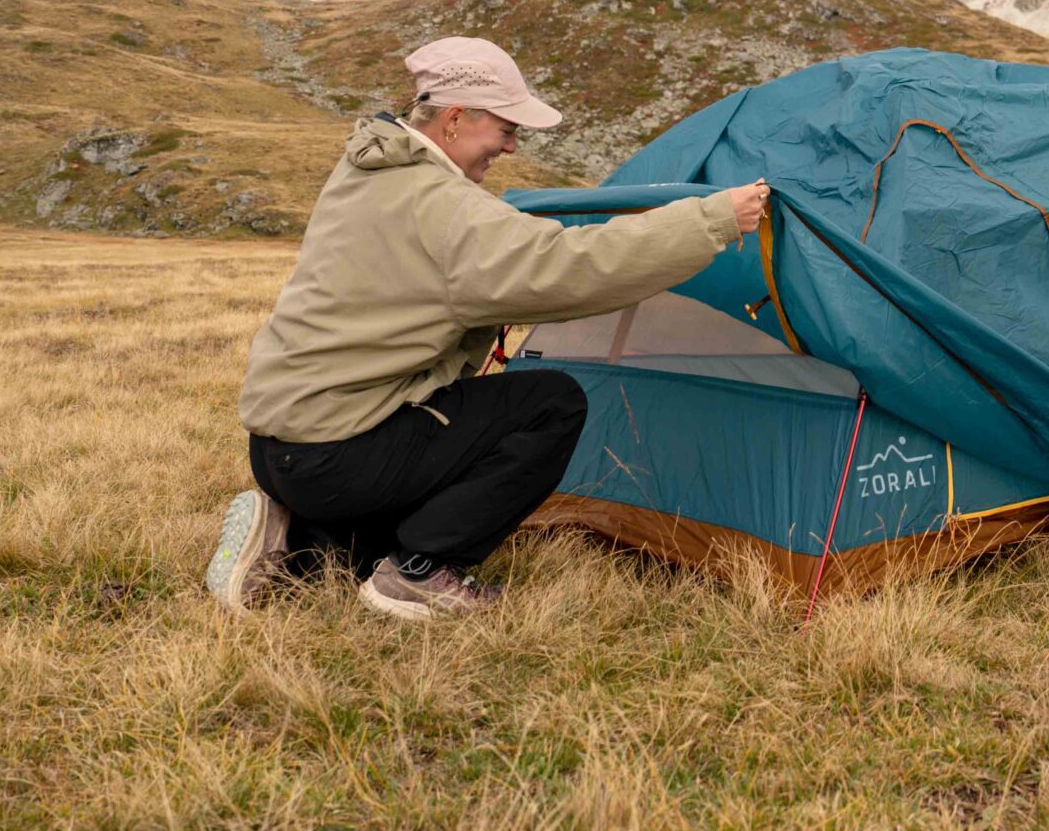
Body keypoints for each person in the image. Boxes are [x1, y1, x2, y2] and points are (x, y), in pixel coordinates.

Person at [205, 36, 769, 620]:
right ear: (454, 119)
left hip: (280, 447)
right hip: (342, 451)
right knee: (550, 403)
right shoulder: (439, 203)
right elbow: (570, 269)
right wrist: (712, 220)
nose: (511, 144)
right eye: (504, 127)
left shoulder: (367, 171)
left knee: (383, 524)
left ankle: (297, 540)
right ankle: (419, 573)